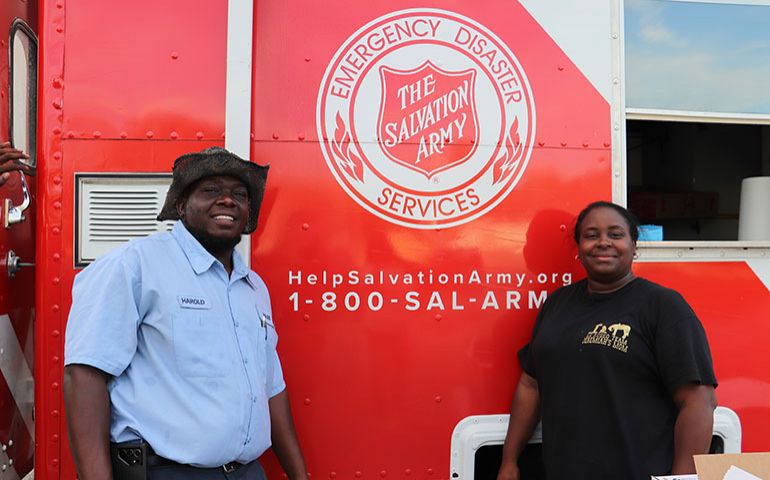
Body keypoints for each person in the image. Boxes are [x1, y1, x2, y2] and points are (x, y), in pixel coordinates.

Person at [64, 147, 307, 480]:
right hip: (167, 472)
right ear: (181, 206)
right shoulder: (135, 266)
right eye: (210, 191)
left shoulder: (253, 289)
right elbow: (85, 375)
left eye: (239, 194)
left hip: (247, 473)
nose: (227, 200)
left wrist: (300, 476)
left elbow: (271, 389)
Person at [497, 201, 717, 480]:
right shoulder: (557, 304)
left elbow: (699, 401)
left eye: (615, 234)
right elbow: (531, 384)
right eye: (591, 235)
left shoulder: (662, 306)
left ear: (634, 245)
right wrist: (509, 460)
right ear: (578, 248)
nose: (603, 242)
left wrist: (682, 478)